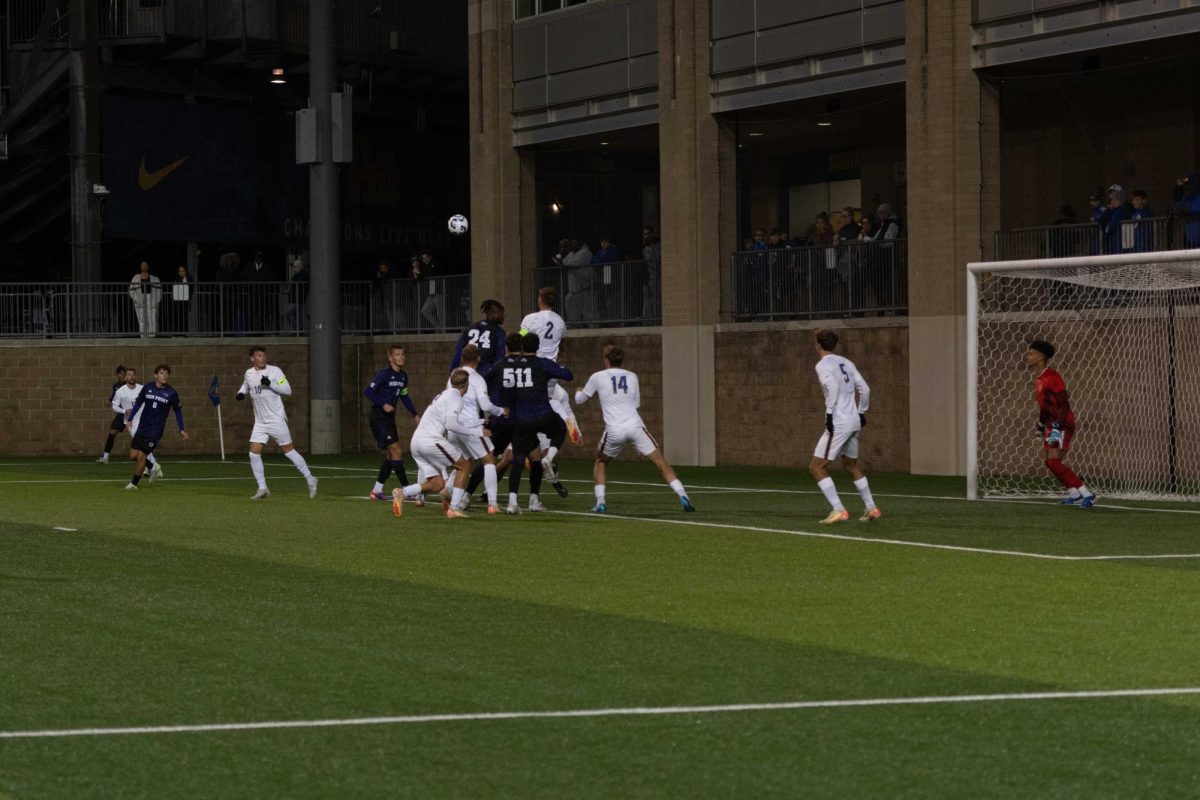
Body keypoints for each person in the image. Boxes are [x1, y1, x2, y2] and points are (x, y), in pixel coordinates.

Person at [574, 344, 695, 514]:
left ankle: (601, 502)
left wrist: (578, 391)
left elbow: (579, 400)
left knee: (601, 461)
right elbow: (636, 404)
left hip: (615, 429)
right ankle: (683, 496)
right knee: (661, 461)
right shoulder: (632, 376)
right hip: (635, 426)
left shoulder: (597, 377)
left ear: (606, 360)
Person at [494, 331, 574, 514]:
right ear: (537, 347)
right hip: (542, 413)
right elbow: (568, 376)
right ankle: (537, 491)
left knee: (519, 460)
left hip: (522, 418)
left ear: (522, 347)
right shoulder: (542, 363)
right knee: (559, 430)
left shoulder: (512, 365)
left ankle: (513, 503)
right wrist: (559, 367)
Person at [808, 329, 879, 524]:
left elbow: (833, 388)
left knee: (816, 467)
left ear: (818, 345)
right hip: (853, 421)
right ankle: (871, 507)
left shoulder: (822, 365)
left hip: (839, 422)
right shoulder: (847, 362)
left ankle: (838, 509)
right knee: (850, 465)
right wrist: (862, 411)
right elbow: (865, 388)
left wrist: (829, 415)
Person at [236, 345, 318, 500]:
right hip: (260, 421)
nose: (263, 357)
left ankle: (310, 478)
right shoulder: (249, 373)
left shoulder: (275, 371)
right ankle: (262, 488)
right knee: (253, 453)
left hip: (276, 419)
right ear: (252, 359)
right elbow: (246, 384)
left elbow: (288, 390)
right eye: (259, 355)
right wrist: (241, 393)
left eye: (264, 355)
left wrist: (271, 384)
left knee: (289, 451)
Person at [392, 369, 475, 519]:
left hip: (416, 442)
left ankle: (402, 492)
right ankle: (454, 508)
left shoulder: (443, 395)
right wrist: (473, 432)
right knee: (465, 465)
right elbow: (451, 424)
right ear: (467, 385)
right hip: (430, 440)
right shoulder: (456, 397)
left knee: (437, 484)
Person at [1026, 340, 1096, 507]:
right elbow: (1045, 406)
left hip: (1061, 424)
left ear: (1041, 356)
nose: (1027, 356)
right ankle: (1074, 493)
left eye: (1031, 353)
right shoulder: (1040, 380)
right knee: (1052, 462)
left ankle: (1086, 493)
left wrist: (1058, 425)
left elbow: (1063, 403)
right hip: (1051, 424)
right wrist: (1041, 426)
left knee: (1053, 461)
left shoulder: (1053, 377)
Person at [446, 344, 505, 513]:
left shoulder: (453, 376)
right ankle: (492, 504)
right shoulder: (477, 379)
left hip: (453, 427)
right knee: (489, 460)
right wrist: (501, 411)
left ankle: (451, 495)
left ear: (462, 358)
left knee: (465, 464)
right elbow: (485, 405)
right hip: (470, 426)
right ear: (478, 358)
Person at [363, 344, 421, 501]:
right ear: (390, 358)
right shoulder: (383, 374)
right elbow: (368, 391)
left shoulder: (403, 377)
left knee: (391, 455)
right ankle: (407, 490)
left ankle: (376, 491)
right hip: (378, 417)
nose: (401, 357)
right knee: (397, 450)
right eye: (397, 354)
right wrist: (383, 404)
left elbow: (404, 396)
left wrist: (414, 414)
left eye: (402, 354)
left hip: (389, 418)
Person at [124, 364, 189, 490]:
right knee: (133, 456)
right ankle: (153, 467)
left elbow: (178, 411)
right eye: (161, 373)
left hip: (155, 431)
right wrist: (130, 419)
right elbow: (138, 403)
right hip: (142, 427)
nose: (164, 375)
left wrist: (181, 429)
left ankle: (134, 484)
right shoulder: (147, 387)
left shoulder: (171, 393)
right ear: (155, 375)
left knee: (142, 456)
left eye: (166, 373)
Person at [449, 298, 506, 375]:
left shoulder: (469, 328)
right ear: (493, 314)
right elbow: (500, 356)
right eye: (501, 313)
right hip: (487, 371)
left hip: (468, 371)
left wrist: (452, 370)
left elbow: (459, 351)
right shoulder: (499, 332)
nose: (503, 316)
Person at [98, 365, 128, 463]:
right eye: (120, 374)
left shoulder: (129, 386)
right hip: (121, 414)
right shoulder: (116, 386)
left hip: (132, 415)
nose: (122, 376)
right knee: (111, 434)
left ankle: (149, 460)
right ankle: (105, 458)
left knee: (139, 437)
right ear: (117, 375)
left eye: (124, 374)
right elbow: (115, 395)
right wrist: (110, 400)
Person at [128, 261, 162, 337]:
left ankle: (151, 337)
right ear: (140, 266)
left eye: (145, 264)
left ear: (148, 266)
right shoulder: (136, 277)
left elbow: (159, 291)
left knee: (152, 319)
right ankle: (143, 337)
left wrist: (156, 301)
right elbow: (131, 290)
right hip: (140, 299)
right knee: (142, 320)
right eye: (142, 264)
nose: (144, 266)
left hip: (151, 299)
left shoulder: (155, 278)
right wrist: (136, 300)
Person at [418, 250, 444, 330]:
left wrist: (421, 273)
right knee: (425, 311)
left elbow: (431, 273)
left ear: (430, 257)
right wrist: (418, 274)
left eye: (426, 257)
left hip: (438, 293)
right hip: (431, 294)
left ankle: (444, 331)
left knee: (440, 314)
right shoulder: (424, 268)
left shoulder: (434, 264)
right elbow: (421, 278)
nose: (425, 259)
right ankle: (439, 328)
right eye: (423, 258)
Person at [283, 258, 309, 333]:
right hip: (296, 299)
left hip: (298, 299)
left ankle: (297, 329)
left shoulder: (303, 275)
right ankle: (298, 330)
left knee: (288, 314)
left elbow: (298, 283)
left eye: (295, 267)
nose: (294, 269)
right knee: (298, 315)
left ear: (299, 267)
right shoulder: (301, 275)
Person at [171, 264, 192, 334]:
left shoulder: (189, 277)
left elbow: (191, 288)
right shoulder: (176, 278)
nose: (181, 272)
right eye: (180, 271)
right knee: (177, 317)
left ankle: (184, 332)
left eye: (183, 271)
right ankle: (177, 332)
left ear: (185, 271)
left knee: (185, 317)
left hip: (185, 301)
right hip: (177, 301)